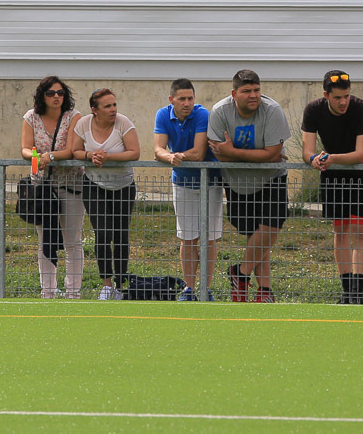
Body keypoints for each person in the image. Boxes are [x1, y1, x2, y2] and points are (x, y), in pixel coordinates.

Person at [208, 69, 290, 303]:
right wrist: (261, 155)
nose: (253, 95)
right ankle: (264, 291)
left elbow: (273, 154)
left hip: (272, 178)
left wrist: (232, 151)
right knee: (256, 236)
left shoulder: (272, 110)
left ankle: (241, 273)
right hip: (237, 182)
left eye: (256, 90)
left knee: (270, 228)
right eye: (246, 91)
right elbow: (218, 154)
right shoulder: (220, 111)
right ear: (234, 94)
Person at [301, 70, 363, 304]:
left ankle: (358, 293)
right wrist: (314, 159)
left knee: (360, 231)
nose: (343, 101)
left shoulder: (362, 109)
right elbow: (307, 151)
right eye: (337, 97)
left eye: (346, 96)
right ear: (326, 95)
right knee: (341, 230)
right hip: (334, 175)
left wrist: (332, 158)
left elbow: (361, 154)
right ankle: (347, 292)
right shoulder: (313, 110)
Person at [154, 78, 222, 301]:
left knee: (209, 238)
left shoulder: (202, 114)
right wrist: (170, 157)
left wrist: (177, 156)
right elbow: (158, 149)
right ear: (171, 99)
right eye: (182, 99)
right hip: (182, 182)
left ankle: (206, 289)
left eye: (190, 98)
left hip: (209, 182)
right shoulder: (162, 115)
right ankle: (189, 288)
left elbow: (199, 152)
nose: (187, 103)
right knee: (187, 237)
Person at [72, 88, 140, 300]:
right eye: (107, 106)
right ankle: (106, 285)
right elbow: (75, 151)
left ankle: (120, 284)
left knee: (120, 235)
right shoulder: (83, 124)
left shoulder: (124, 123)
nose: (113, 109)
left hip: (123, 186)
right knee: (102, 233)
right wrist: (90, 154)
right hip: (94, 185)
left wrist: (108, 157)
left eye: (114, 105)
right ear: (95, 110)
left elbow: (135, 153)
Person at [21, 76, 85, 299]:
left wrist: (50, 156)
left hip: (70, 184)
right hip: (42, 186)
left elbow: (71, 150)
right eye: (51, 93)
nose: (56, 97)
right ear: (42, 96)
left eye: (60, 93)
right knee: (44, 239)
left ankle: (73, 292)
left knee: (72, 240)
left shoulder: (73, 117)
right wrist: (36, 157)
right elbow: (25, 148)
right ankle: (47, 290)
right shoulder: (31, 117)